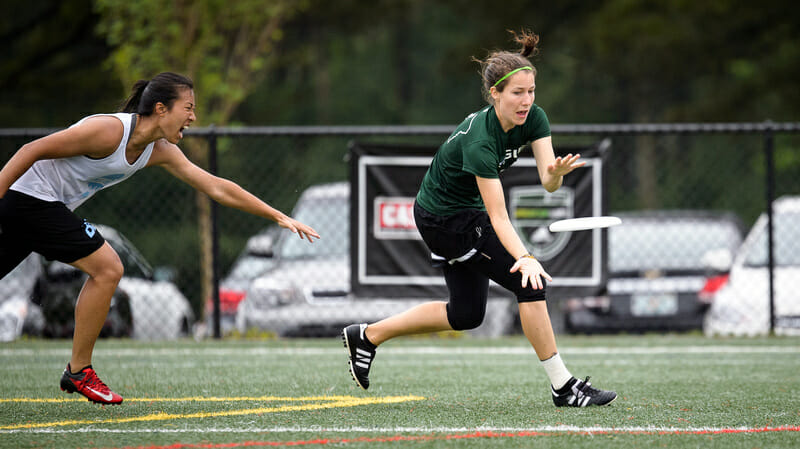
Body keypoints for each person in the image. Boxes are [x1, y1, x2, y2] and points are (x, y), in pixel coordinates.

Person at [0, 72, 320, 405]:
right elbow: (31, 149)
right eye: (189, 107)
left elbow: (216, 186)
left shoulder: (159, 151)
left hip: (36, 208)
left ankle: (79, 370)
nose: (194, 117)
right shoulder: (110, 131)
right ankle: (79, 371)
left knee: (105, 269)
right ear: (161, 109)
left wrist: (278, 215)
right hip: (29, 200)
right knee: (108, 267)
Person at [342, 31, 616, 407]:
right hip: (443, 220)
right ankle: (563, 387)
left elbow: (548, 183)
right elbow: (499, 216)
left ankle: (367, 335)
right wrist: (526, 257)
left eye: (531, 91)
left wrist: (555, 173)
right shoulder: (480, 142)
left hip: (465, 213)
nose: (526, 101)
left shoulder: (534, 119)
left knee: (466, 314)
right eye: (517, 93)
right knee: (529, 283)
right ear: (495, 95)